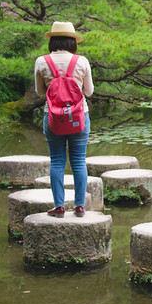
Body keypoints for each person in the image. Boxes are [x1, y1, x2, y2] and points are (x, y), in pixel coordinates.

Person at [35, 21, 94, 218]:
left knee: (57, 161)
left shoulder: (41, 61)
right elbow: (89, 91)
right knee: (78, 160)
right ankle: (79, 207)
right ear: (72, 42)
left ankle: (59, 207)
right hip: (79, 116)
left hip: (52, 117)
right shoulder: (82, 61)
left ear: (52, 40)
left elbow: (39, 92)